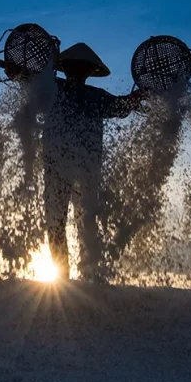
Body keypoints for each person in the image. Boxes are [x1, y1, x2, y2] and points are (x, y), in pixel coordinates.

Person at [42, 42, 146, 282]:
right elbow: (123, 106)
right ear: (91, 70)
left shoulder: (52, 88)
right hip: (83, 167)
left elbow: (27, 79)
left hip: (61, 166)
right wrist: (138, 96)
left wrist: (135, 97)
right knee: (84, 220)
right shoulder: (92, 95)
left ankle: (68, 277)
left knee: (60, 221)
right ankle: (83, 275)